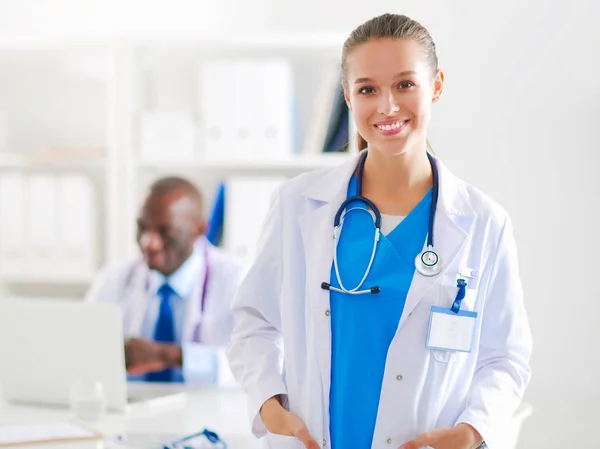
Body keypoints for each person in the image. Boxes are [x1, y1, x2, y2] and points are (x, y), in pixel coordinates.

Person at [227, 13, 532, 449]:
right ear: (349, 99)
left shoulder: (483, 222)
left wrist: (473, 430)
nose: (387, 106)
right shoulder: (299, 205)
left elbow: (505, 356)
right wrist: (271, 406)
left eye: (405, 84)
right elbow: (253, 321)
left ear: (437, 86)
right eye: (368, 89)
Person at [86, 176, 245, 384]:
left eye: (165, 232)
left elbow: (255, 367)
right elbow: (83, 349)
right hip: (133, 410)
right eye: (143, 228)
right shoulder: (115, 279)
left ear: (200, 229)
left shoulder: (238, 281)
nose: (149, 243)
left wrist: (168, 356)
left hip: (211, 412)